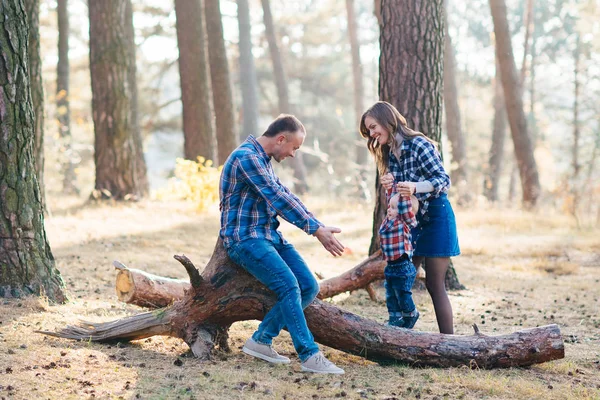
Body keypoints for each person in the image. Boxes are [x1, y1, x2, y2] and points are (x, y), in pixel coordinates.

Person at [219, 114, 345, 374]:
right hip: (245, 239)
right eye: (294, 148)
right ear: (280, 139)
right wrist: (315, 231)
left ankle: (261, 340)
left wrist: (317, 225)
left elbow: (286, 194)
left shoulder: (262, 159)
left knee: (308, 285)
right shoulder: (247, 158)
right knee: (289, 286)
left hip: (268, 236)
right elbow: (277, 198)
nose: (294, 154)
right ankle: (309, 355)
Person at [360, 101, 460, 334]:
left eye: (374, 127)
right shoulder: (389, 152)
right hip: (410, 221)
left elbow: (443, 181)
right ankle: (400, 330)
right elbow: (399, 197)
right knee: (401, 278)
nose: (373, 134)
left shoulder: (419, 144)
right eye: (369, 131)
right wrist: (390, 186)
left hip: (435, 216)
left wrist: (414, 186)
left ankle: (451, 343)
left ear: (387, 120)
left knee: (435, 284)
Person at [380, 182, 420, 329]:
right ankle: (395, 318)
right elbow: (392, 199)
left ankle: (411, 314)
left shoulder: (404, 221)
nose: (390, 210)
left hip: (403, 268)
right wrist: (390, 188)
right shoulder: (388, 221)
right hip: (391, 267)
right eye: (390, 207)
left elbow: (403, 206)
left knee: (403, 294)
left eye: (394, 208)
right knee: (390, 294)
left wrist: (405, 194)